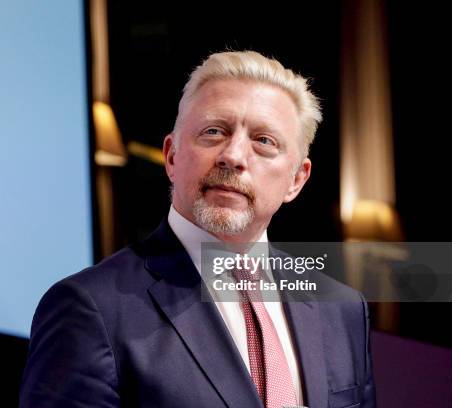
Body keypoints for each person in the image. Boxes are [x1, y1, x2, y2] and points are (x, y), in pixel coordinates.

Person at [20, 51, 376, 407]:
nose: (233, 156)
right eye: (213, 132)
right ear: (172, 157)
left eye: (264, 141)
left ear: (297, 180)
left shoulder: (342, 309)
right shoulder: (91, 309)